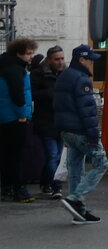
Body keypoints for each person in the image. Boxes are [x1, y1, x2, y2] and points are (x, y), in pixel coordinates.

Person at [54, 44, 107, 223]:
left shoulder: (64, 76)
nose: (92, 63)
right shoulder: (81, 79)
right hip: (81, 130)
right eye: (90, 59)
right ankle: (75, 199)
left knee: (76, 168)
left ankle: (79, 211)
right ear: (82, 60)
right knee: (101, 162)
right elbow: (87, 110)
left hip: (67, 130)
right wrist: (94, 134)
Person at [0, 36, 37, 203]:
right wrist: (23, 115)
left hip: (5, 116)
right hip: (15, 118)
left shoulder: (5, 64)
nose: (31, 57)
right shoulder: (15, 69)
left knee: (7, 155)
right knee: (17, 155)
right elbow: (17, 94)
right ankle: (19, 189)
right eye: (28, 53)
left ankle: (6, 187)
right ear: (18, 53)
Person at [31, 44, 66, 199]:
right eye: (56, 59)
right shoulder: (39, 74)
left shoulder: (65, 73)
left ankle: (47, 183)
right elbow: (31, 94)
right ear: (49, 60)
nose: (60, 62)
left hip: (60, 121)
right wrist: (50, 93)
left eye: (62, 58)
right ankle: (55, 185)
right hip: (45, 121)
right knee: (53, 155)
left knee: (57, 156)